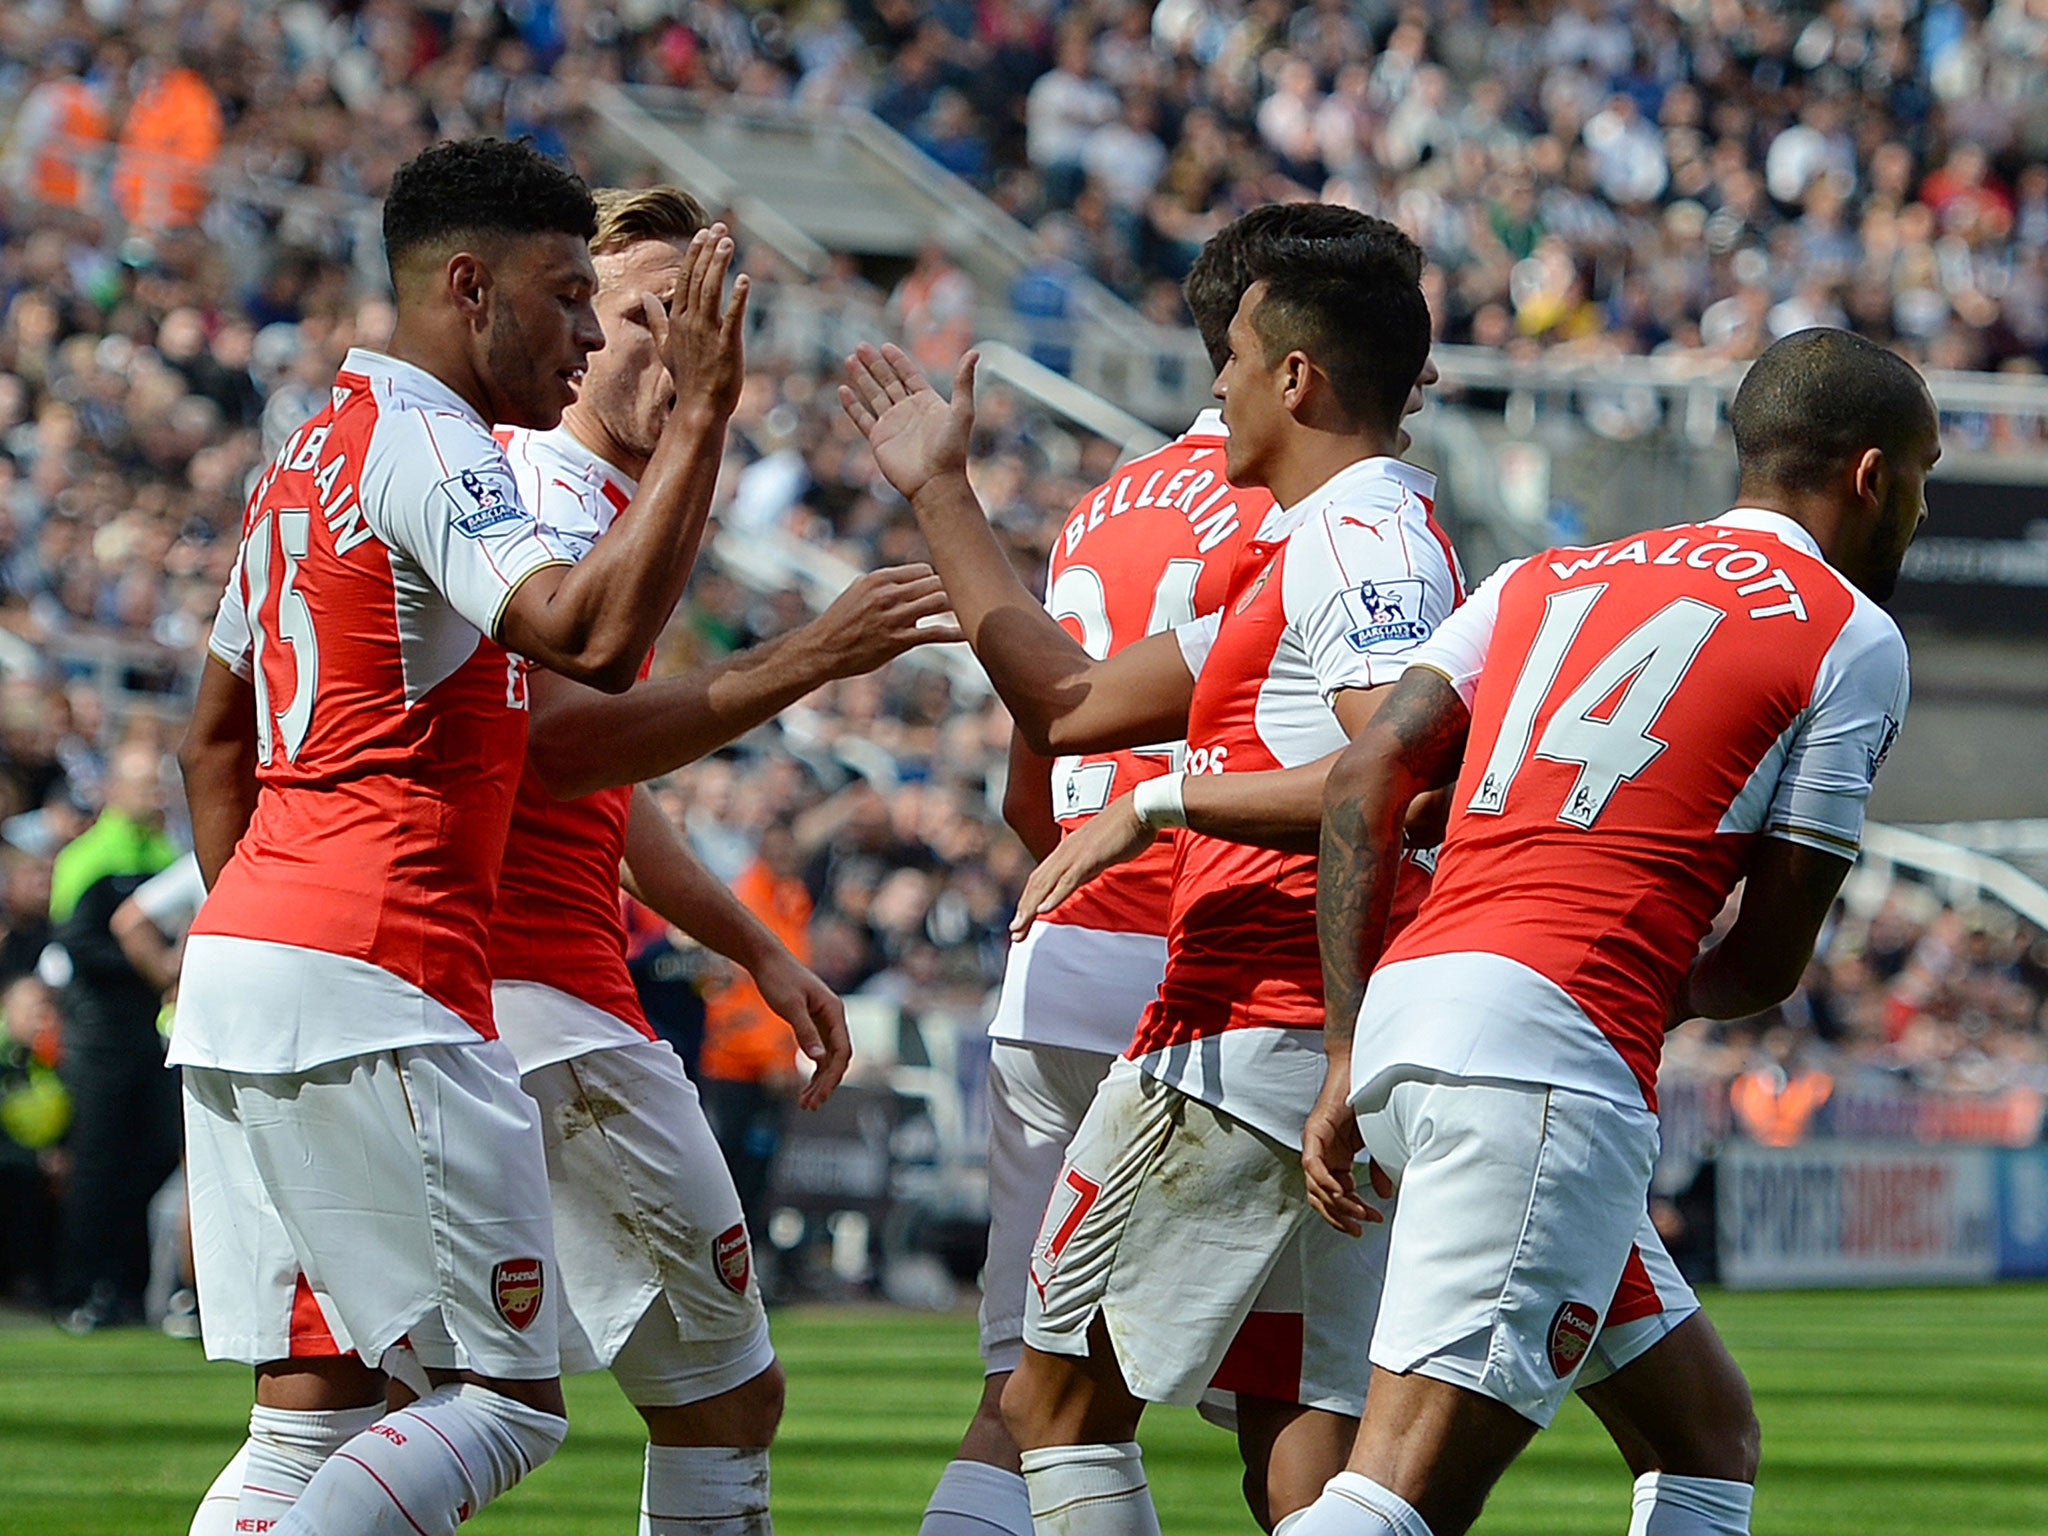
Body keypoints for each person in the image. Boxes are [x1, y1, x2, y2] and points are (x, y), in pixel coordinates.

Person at [846, 205, 1454, 1534]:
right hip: (1258, 1020)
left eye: (1232, 353)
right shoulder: (1304, 544)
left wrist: (1162, 804)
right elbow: (1065, 704)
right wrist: (940, 491)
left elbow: (1390, 781)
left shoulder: (1360, 543)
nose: (1215, 379)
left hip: (1247, 1029)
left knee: (1051, 1404)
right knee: (1303, 1417)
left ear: (1297, 373)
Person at [172, 138, 748, 1536]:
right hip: (380, 967)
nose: (576, 337)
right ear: (468, 288)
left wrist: (270, 935)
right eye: (567, 299)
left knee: (309, 1420)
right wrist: (705, 416)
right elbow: (590, 642)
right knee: (501, 1401)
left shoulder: (302, 453)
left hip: (246, 961)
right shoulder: (436, 445)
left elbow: (208, 742)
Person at [1295, 326, 1936, 1536]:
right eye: (1922, 475)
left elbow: (1358, 779)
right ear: (1869, 477)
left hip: (1404, 1016)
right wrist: (1653, 987)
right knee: (1389, 1503)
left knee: (1703, 1437)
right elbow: (1763, 957)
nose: (1919, 506)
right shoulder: (1847, 635)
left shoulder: (1541, 577)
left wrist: (1341, 1047)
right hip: (1544, 1063)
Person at [484, 183, 957, 1536]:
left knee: (412, 1395)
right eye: (638, 314)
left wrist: (750, 942)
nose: (673, 345)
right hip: (537, 1001)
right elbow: (564, 752)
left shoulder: (609, 498)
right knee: (669, 1398)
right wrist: (810, 654)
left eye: (701, 315)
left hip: (535, 989)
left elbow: (598, 786)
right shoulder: (545, 492)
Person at [919, 209, 1280, 1536]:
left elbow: (1034, 778)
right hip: (1211, 973)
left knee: (1025, 1389)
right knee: (1299, 1399)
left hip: (1054, 964)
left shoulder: (1101, 504)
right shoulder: (1311, 507)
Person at [48, 739, 180, 1332]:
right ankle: (83, 1289)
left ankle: (125, 1289)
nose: (154, 792)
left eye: (157, 781)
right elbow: (74, 947)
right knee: (97, 1166)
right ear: (115, 789)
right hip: (99, 1038)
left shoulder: (166, 849)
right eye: (143, 781)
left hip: (152, 1037)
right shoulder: (87, 856)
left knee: (146, 1163)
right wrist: (152, 962)